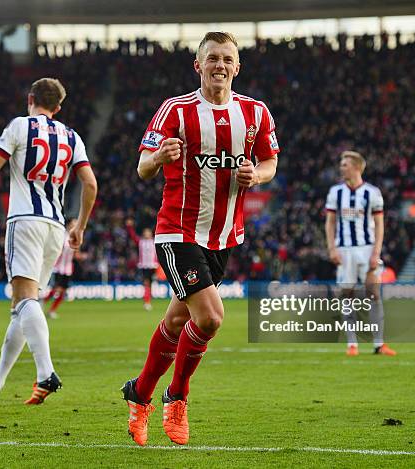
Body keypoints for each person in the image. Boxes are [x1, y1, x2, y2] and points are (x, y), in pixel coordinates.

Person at [122, 32, 279, 446]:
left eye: (227, 58)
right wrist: (159, 157)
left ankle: (138, 395)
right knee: (209, 317)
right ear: (198, 65)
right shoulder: (175, 110)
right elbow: (142, 167)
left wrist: (256, 175)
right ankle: (177, 397)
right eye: (212, 58)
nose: (220, 65)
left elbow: (270, 162)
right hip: (178, 230)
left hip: (224, 236)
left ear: (237, 66)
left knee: (177, 321)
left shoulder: (256, 113)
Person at [0, 78, 98, 404]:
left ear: (30, 99)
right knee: (22, 304)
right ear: (57, 108)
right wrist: (81, 227)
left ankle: (46, 373)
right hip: (56, 228)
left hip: (25, 221)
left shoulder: (19, 126)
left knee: (25, 298)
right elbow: (90, 184)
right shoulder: (72, 136)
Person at [325, 151, 396, 357]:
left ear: (357, 167)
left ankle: (378, 344)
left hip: (367, 249)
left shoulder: (372, 193)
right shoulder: (335, 192)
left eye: (345, 164)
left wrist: (376, 252)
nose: (341, 167)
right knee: (347, 296)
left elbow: (380, 224)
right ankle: (352, 344)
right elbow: (329, 222)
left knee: (373, 293)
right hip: (344, 250)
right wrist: (332, 248)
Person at [43, 218, 80, 319]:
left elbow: (76, 254)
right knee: (57, 289)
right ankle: (41, 304)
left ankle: (51, 311)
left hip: (67, 269)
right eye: (74, 223)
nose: (75, 225)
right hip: (58, 268)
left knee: (62, 292)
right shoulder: (62, 236)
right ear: (68, 225)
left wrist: (82, 256)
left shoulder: (75, 237)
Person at [126, 218, 158, 311]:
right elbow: (133, 236)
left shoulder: (155, 241)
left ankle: (148, 300)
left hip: (153, 266)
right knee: (146, 283)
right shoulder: (141, 242)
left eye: (148, 232)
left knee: (150, 285)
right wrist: (129, 227)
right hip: (144, 266)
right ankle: (147, 302)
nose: (147, 234)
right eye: (145, 232)